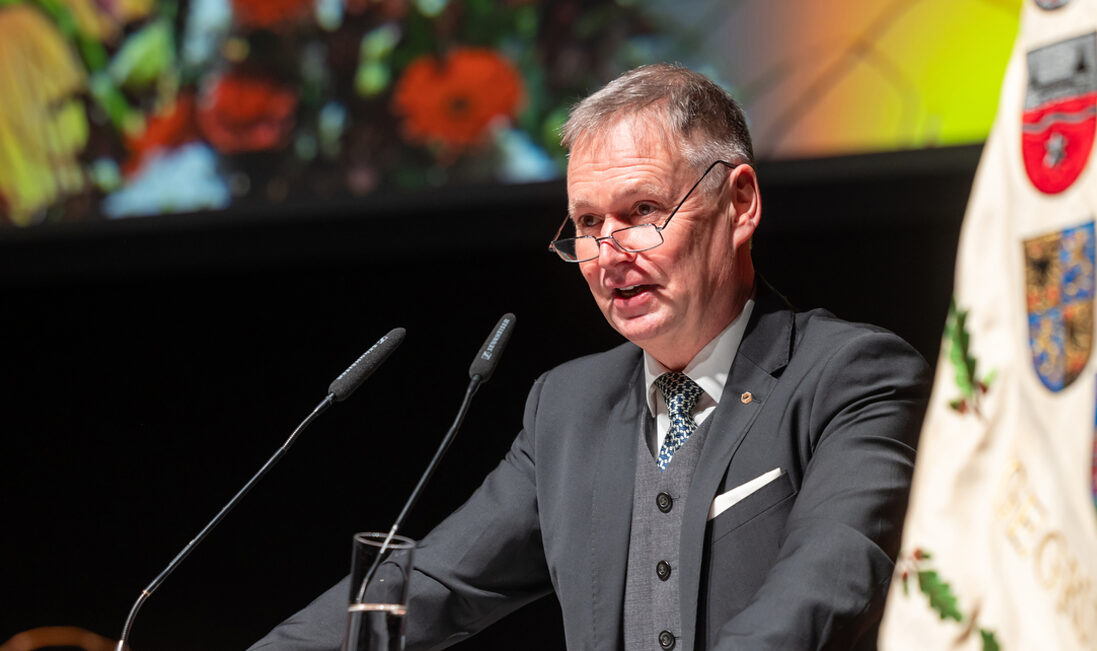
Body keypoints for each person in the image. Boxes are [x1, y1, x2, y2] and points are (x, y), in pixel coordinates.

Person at [252, 63, 931, 651]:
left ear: (740, 202)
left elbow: (827, 582)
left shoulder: (852, 377)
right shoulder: (567, 408)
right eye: (586, 223)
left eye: (641, 210)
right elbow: (426, 585)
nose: (609, 253)